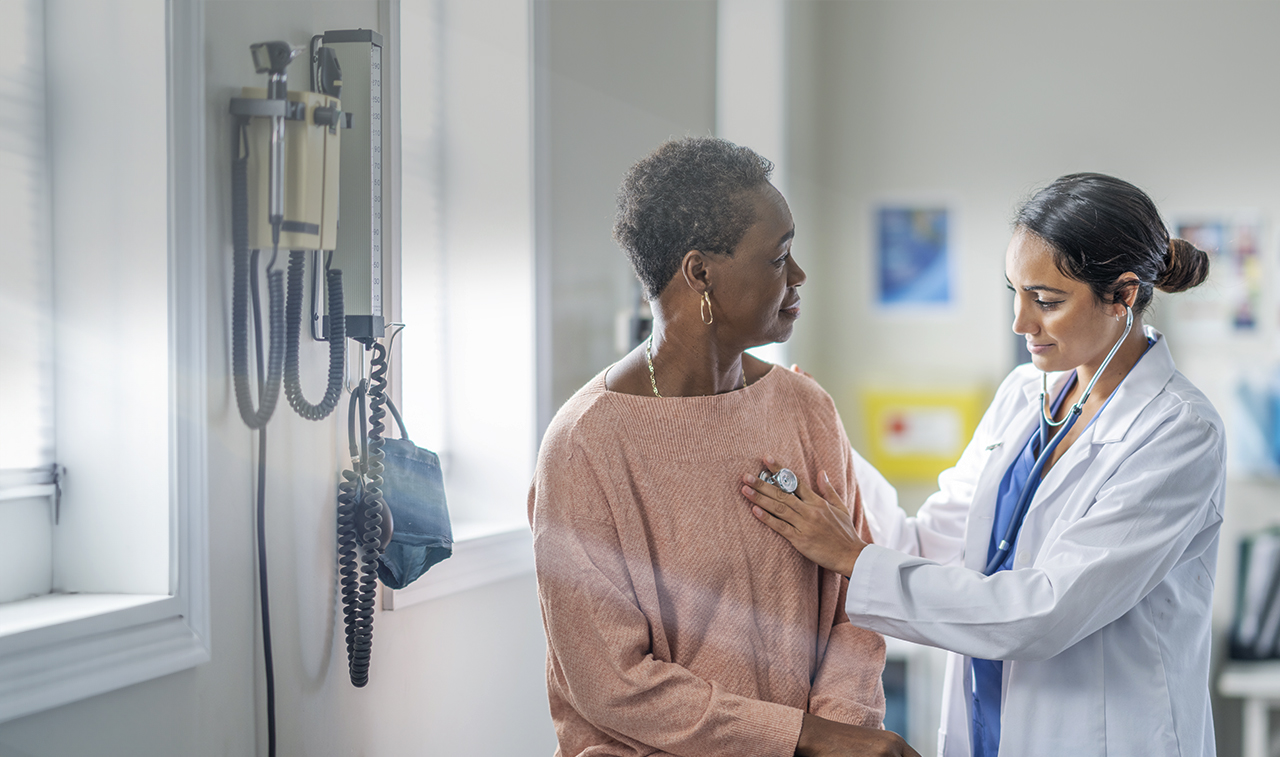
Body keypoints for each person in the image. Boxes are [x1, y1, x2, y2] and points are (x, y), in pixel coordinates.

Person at [741, 173, 1223, 756]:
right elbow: (925, 545)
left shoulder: (1178, 431)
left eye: (1046, 301)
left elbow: (1042, 612)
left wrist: (850, 558)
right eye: (1015, 293)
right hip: (988, 728)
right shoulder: (1025, 395)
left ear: (1123, 296)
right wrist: (827, 436)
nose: (1021, 323)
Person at [529, 137, 920, 757]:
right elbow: (612, 683)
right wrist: (804, 739)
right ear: (700, 273)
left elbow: (853, 604)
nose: (798, 276)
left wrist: (841, 727)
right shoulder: (586, 446)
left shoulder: (805, 408)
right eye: (779, 258)